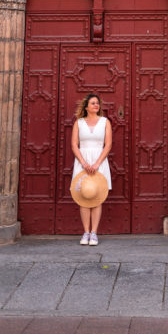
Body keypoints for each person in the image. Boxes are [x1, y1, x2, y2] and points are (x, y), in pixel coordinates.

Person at [71, 92, 112, 245]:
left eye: (97, 103)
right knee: (84, 196)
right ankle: (85, 232)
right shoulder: (79, 123)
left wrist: (97, 164)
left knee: (97, 197)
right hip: (82, 161)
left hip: (99, 161)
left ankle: (94, 232)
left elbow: (108, 145)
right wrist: (83, 163)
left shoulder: (105, 122)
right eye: (93, 103)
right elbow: (74, 144)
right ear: (86, 107)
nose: (96, 105)